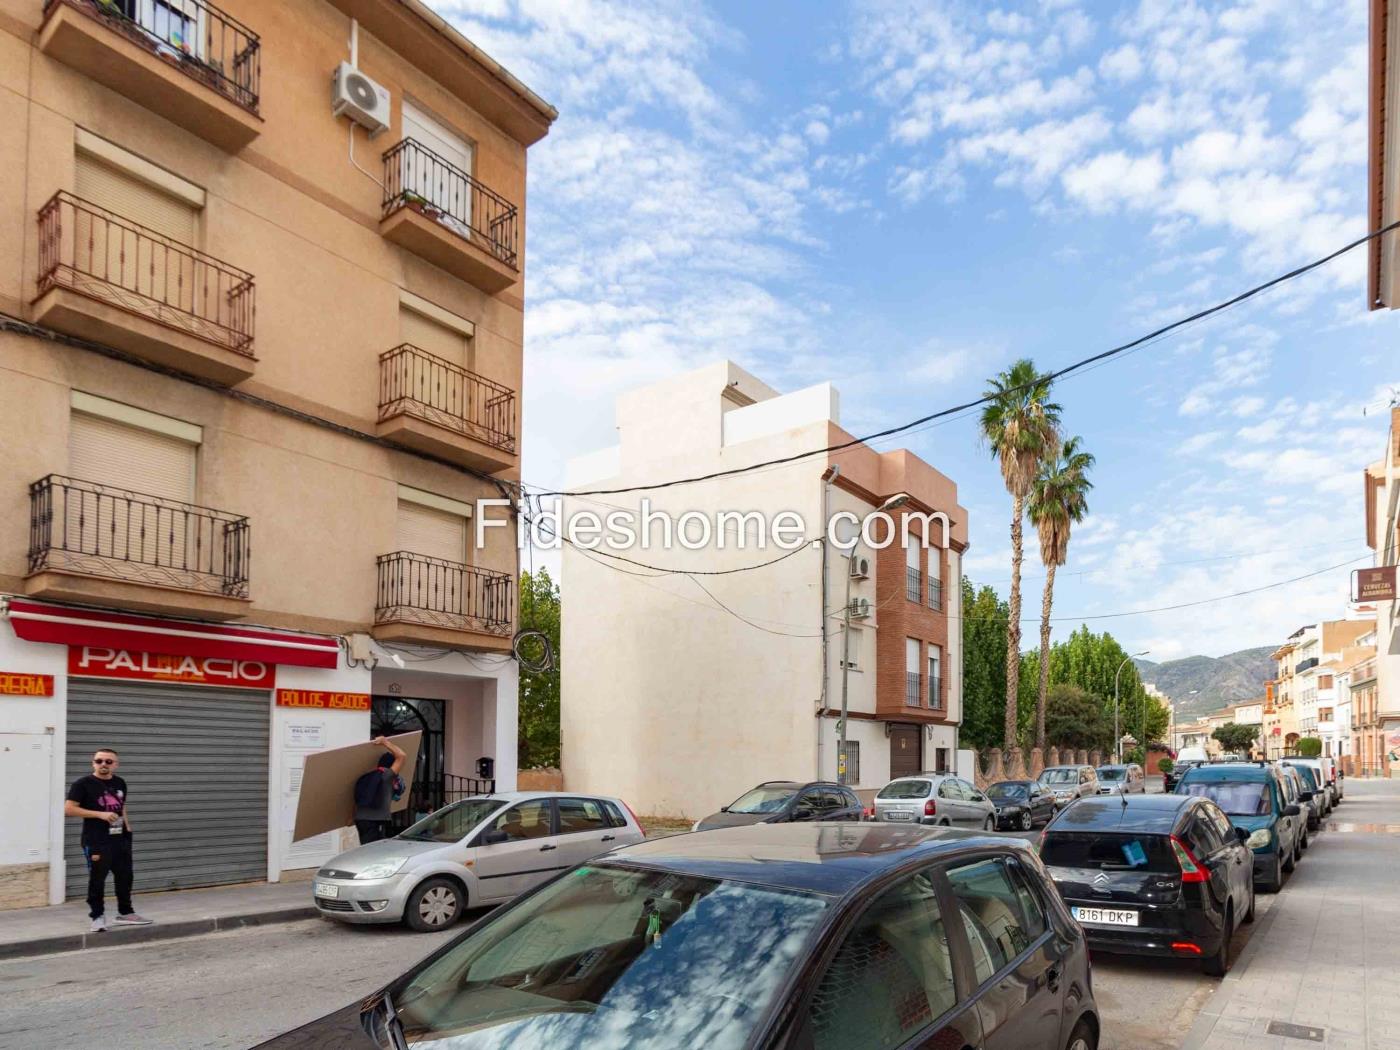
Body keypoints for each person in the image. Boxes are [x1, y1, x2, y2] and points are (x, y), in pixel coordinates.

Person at [64, 748, 153, 932]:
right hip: (96, 840)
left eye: (108, 761)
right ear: (93, 763)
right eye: (99, 761)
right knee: (97, 879)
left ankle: (126, 913)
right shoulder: (83, 784)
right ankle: (97, 916)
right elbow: (69, 809)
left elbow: (121, 807)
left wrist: (128, 829)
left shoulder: (120, 782)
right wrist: (100, 815)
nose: (103, 764)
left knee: (125, 877)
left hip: (120, 838)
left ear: (116, 764)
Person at [353, 736, 406, 844]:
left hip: (361, 819)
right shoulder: (387, 775)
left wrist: (351, 816)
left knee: (366, 849)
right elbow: (401, 756)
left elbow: (357, 797)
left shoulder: (369, 776)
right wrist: (385, 742)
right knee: (376, 852)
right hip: (377, 820)